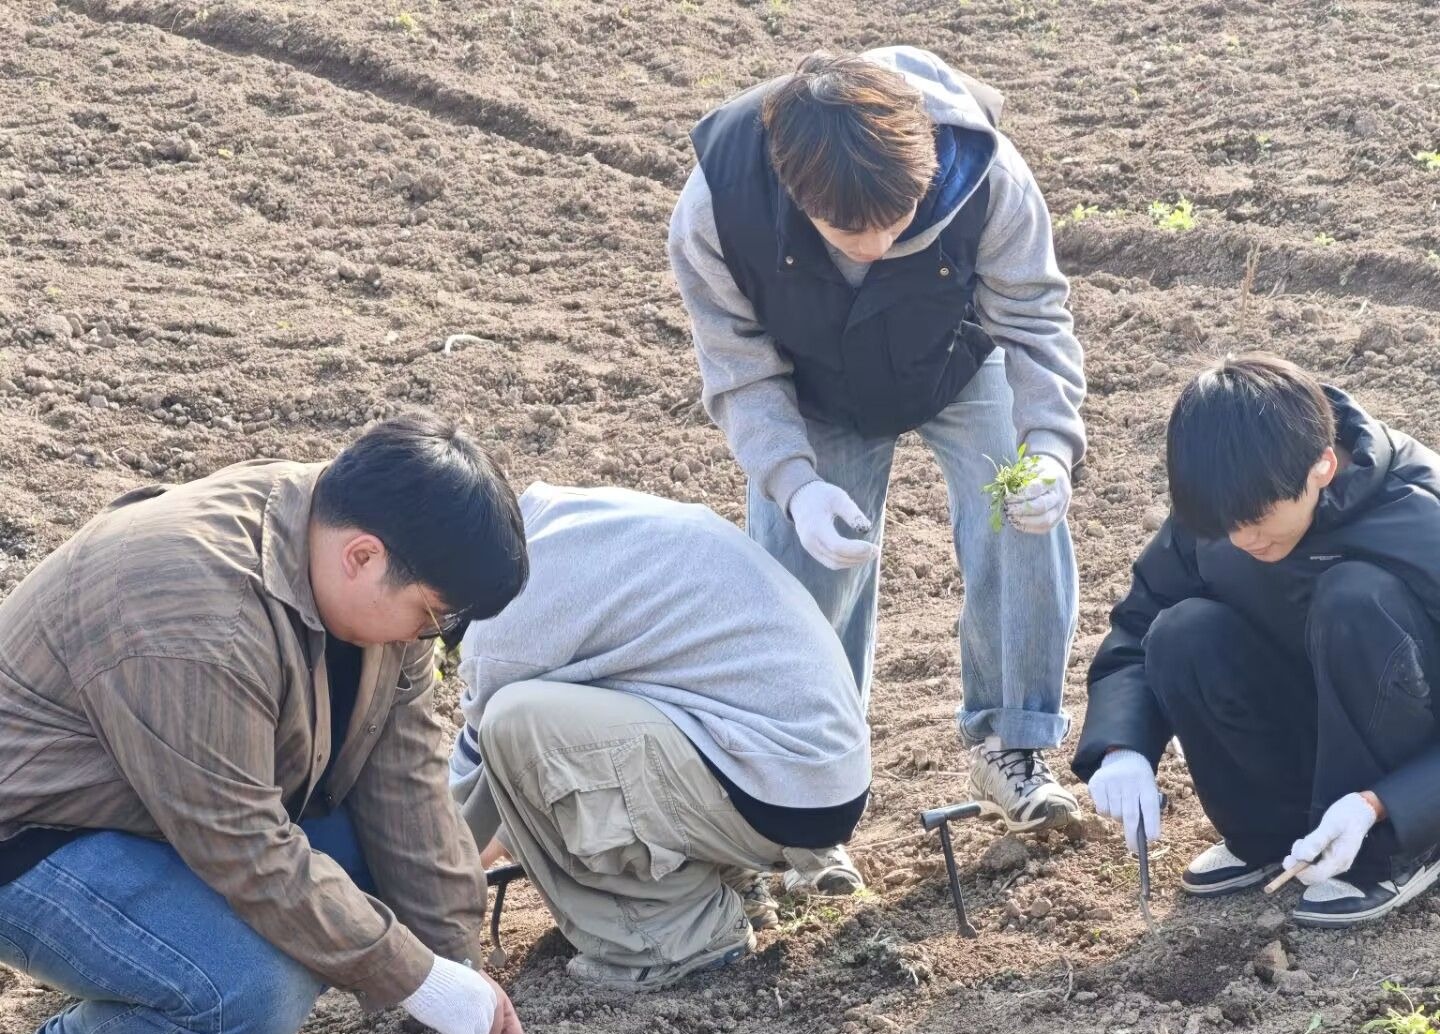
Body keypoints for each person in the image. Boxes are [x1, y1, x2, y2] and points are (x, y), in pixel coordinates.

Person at [668, 46, 1085, 833]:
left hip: (956, 358)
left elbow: (1034, 323)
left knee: (1023, 510)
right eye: (845, 231)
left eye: (896, 224)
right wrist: (794, 483)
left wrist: (1052, 447)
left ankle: (1013, 743)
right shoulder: (717, 209)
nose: (872, 247)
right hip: (811, 386)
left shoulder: (988, 176)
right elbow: (740, 370)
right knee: (800, 576)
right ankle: (808, 789)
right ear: (795, 191)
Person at [0, 415, 530, 1033]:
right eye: (434, 616)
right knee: (246, 990)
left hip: (168, 805)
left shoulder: (353, 543)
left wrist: (455, 976)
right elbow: (244, 847)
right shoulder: (195, 621)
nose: (432, 637)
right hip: (34, 832)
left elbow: (406, 785)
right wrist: (419, 978)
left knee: (378, 878)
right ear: (363, 556)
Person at [449, 484, 870, 991]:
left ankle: (675, 932)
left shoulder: (502, 630)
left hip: (782, 788)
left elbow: (474, 796)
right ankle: (721, 870)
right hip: (814, 769)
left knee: (513, 723)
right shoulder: (563, 517)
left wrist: (420, 898)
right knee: (603, 693)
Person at [1076, 355, 1440, 927]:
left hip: (1407, 752)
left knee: (1353, 598)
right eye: (1223, 524)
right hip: (1307, 714)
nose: (1242, 537)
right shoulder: (1225, 508)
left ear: (1322, 466)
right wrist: (1123, 747)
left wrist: (1387, 803)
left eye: (1257, 518)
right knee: (1180, 631)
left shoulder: (1421, 518)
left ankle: (1391, 851)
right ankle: (1267, 834)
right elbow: (1138, 628)